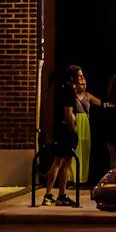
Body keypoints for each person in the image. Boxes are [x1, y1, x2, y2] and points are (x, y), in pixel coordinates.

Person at [42, 67, 82, 206]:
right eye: (79, 76)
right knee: (65, 163)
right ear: (72, 78)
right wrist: (73, 128)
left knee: (57, 162)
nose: (81, 78)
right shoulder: (70, 91)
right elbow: (68, 113)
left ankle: (48, 194)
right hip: (67, 132)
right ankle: (61, 195)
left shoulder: (61, 89)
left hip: (59, 130)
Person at [68, 67, 99, 184]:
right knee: (74, 152)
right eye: (80, 77)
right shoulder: (71, 96)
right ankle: (72, 179)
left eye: (83, 77)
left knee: (85, 151)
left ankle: (82, 179)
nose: (83, 79)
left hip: (86, 124)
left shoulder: (88, 96)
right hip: (76, 123)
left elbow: (101, 103)